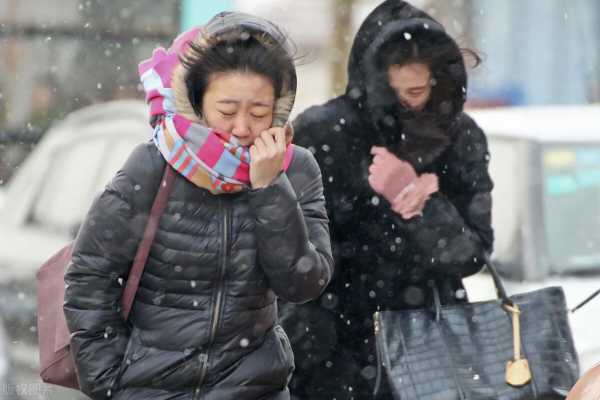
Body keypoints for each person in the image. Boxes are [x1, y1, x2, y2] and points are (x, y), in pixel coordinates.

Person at [63, 12, 333, 400]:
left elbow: (304, 283)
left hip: (254, 389)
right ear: (198, 103)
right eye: (226, 111)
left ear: (278, 108)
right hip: (151, 390)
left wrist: (270, 187)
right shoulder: (154, 164)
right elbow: (90, 277)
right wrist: (108, 382)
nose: (242, 128)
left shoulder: (297, 169)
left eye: (258, 113)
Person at [280, 1, 494, 399]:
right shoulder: (325, 133)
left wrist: (418, 204)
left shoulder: (460, 137)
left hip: (428, 344)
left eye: (418, 90)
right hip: (328, 347)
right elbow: (290, 250)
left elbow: (472, 253)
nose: (408, 104)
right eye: (394, 92)